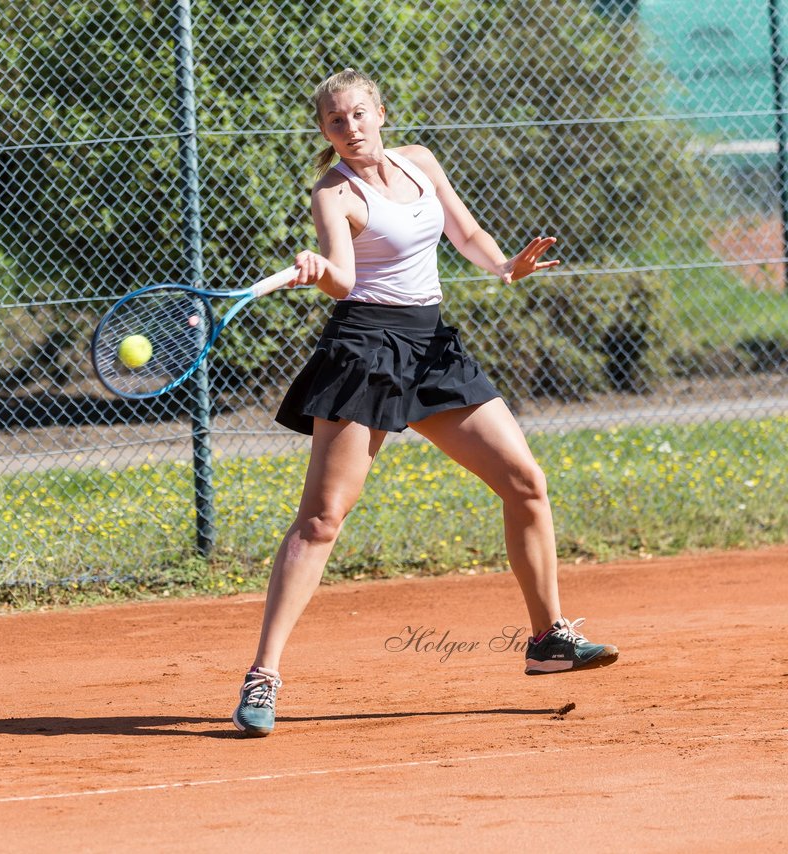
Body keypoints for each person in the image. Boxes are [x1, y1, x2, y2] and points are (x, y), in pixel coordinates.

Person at [232, 69, 618, 737]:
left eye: (358, 115)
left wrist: (504, 268)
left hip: (432, 347)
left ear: (381, 112)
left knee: (525, 481)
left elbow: (466, 236)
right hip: (366, 350)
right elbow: (347, 279)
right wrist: (321, 271)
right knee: (323, 519)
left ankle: (548, 639)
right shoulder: (332, 192)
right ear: (324, 132)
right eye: (334, 122)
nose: (350, 129)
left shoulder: (421, 163)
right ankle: (262, 674)